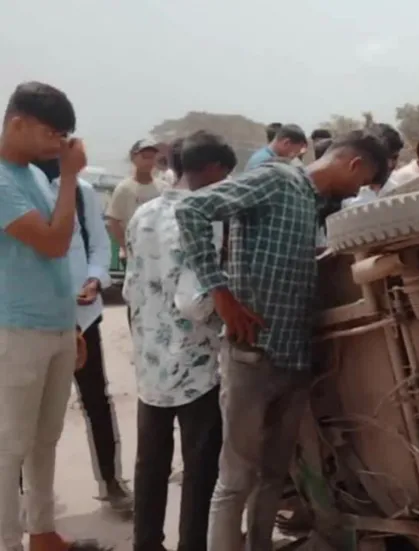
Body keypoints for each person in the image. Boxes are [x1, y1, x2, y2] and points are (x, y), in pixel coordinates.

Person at [175, 130, 389, 551]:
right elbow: (193, 210)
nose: (356, 191)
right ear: (354, 165)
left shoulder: (311, 205)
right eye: (361, 183)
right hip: (253, 355)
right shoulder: (276, 180)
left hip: (291, 360)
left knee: (273, 476)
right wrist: (221, 293)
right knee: (236, 480)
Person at [0, 81, 106, 551]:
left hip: (54, 326)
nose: (59, 145)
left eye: (65, 136)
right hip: (15, 328)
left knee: (46, 439)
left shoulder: (35, 178)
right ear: (18, 123)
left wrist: (70, 323)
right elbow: (52, 241)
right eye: (52, 133)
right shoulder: (5, 180)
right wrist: (68, 177)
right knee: (9, 445)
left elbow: (63, 256)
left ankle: (42, 532)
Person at [125, 132, 235, 551]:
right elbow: (195, 303)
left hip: (151, 360)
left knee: (150, 462)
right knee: (200, 465)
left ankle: (146, 542)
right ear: (210, 171)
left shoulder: (145, 214)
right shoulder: (205, 217)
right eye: (224, 176)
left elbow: (135, 281)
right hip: (196, 364)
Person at [32, 158, 132, 514]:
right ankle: (27, 495)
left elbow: (98, 246)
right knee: (30, 410)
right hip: (33, 319)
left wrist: (94, 278)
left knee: (96, 401)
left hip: (83, 317)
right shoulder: (14, 188)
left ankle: (111, 481)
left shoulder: (81, 191)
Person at [105, 138, 163, 259]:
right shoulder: (124, 188)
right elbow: (113, 221)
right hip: (133, 253)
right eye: (145, 156)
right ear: (133, 157)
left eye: (152, 156)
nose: (148, 161)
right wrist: (125, 247)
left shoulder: (163, 188)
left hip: (158, 252)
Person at [342, 123, 404, 208]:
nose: (389, 165)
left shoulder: (399, 191)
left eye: (394, 158)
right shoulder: (346, 196)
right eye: (384, 158)